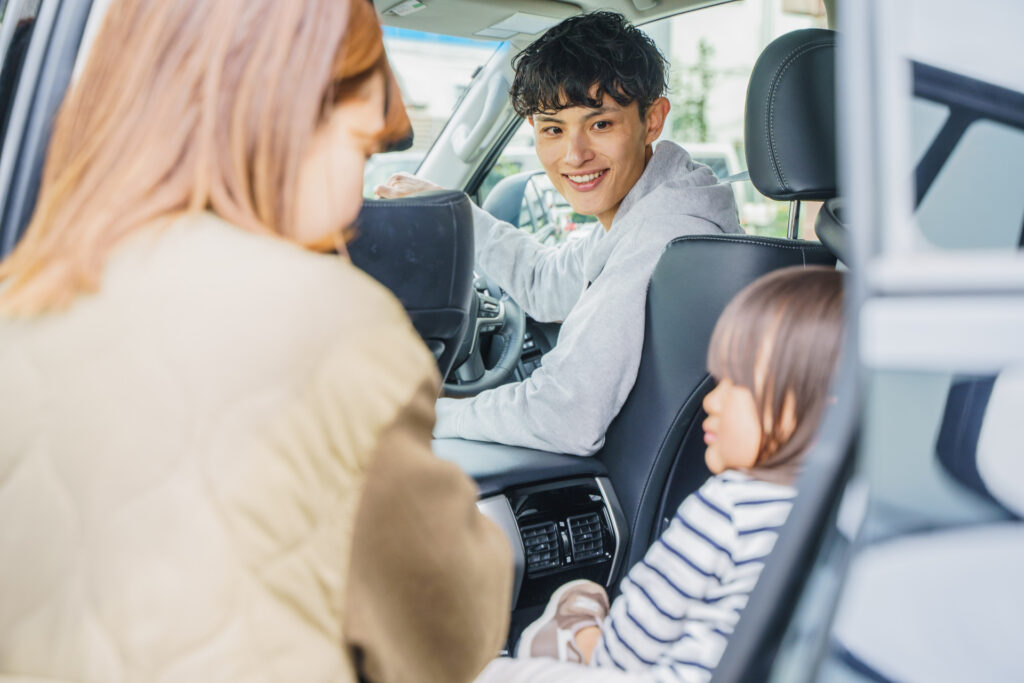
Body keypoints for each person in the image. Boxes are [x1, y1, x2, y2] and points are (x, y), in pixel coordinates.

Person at [0, 1, 511, 682]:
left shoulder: (23, 299)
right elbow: (449, 633)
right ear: (279, 114)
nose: (353, 209)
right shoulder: (335, 323)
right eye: (358, 150)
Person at [375, 11, 743, 456]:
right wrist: (456, 210)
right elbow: (544, 283)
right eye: (553, 129)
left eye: (600, 124)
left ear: (652, 120)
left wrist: (428, 415)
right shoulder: (648, 211)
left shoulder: (663, 236)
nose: (575, 155)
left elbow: (564, 416)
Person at [478, 265, 844, 682]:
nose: (713, 402)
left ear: (828, 412)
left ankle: (569, 634)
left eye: (738, 384)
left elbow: (626, 653)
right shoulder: (846, 512)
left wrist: (585, 641)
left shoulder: (728, 509)